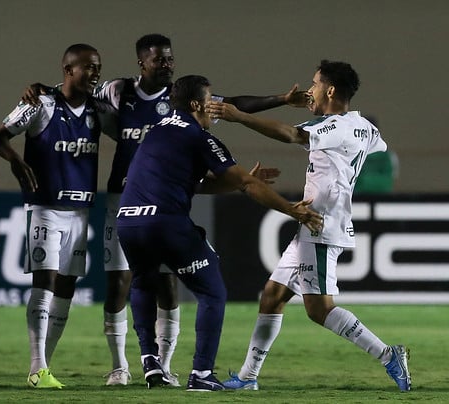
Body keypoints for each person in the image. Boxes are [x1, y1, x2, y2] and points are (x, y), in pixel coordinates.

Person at [23, 33, 309, 387]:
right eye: (160, 60)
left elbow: (232, 107)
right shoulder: (119, 92)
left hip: (136, 211)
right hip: (134, 202)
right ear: (142, 62)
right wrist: (45, 90)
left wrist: (280, 99)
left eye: (171, 59)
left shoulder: (174, 106)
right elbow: (76, 89)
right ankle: (145, 368)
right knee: (134, 283)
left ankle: (157, 363)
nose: (167, 65)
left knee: (153, 282)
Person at [205, 60, 411, 392]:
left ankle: (388, 355)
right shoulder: (362, 127)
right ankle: (247, 377)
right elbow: (374, 144)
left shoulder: (337, 127)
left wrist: (238, 116)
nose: (309, 89)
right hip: (318, 222)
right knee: (272, 296)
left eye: (314, 84)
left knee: (319, 310)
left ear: (330, 90)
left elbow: (290, 134)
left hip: (320, 224)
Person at [116, 74, 323, 392]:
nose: (216, 106)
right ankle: (201, 374)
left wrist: (237, 183)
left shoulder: (156, 133)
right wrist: (291, 209)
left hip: (128, 221)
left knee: (144, 280)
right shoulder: (197, 136)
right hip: (165, 222)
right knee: (212, 291)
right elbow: (247, 183)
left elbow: (194, 184)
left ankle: (150, 361)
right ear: (197, 104)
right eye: (211, 100)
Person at [0, 43, 115, 389]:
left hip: (80, 211)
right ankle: (37, 367)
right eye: (88, 67)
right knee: (44, 281)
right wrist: (17, 162)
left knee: (66, 288)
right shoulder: (41, 105)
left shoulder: (98, 110)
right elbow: (0, 137)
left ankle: (44, 363)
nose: (95, 74)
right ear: (68, 69)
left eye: (98, 67)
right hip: (45, 207)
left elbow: (127, 132)